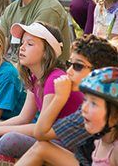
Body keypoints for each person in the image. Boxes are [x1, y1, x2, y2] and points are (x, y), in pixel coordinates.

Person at [0, 21, 84, 164]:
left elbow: (42, 128)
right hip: (44, 136)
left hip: (64, 144)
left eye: (30, 44)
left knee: (8, 139)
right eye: (22, 43)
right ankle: (5, 157)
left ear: (46, 52)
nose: (21, 48)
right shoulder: (35, 78)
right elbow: (23, 118)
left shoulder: (55, 79)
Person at [10, 35, 118, 166]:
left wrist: (59, 97)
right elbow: (40, 133)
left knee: (27, 145)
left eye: (77, 66)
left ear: (99, 72)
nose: (68, 71)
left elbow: (40, 133)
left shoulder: (96, 111)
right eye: (69, 64)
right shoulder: (86, 107)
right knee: (40, 147)